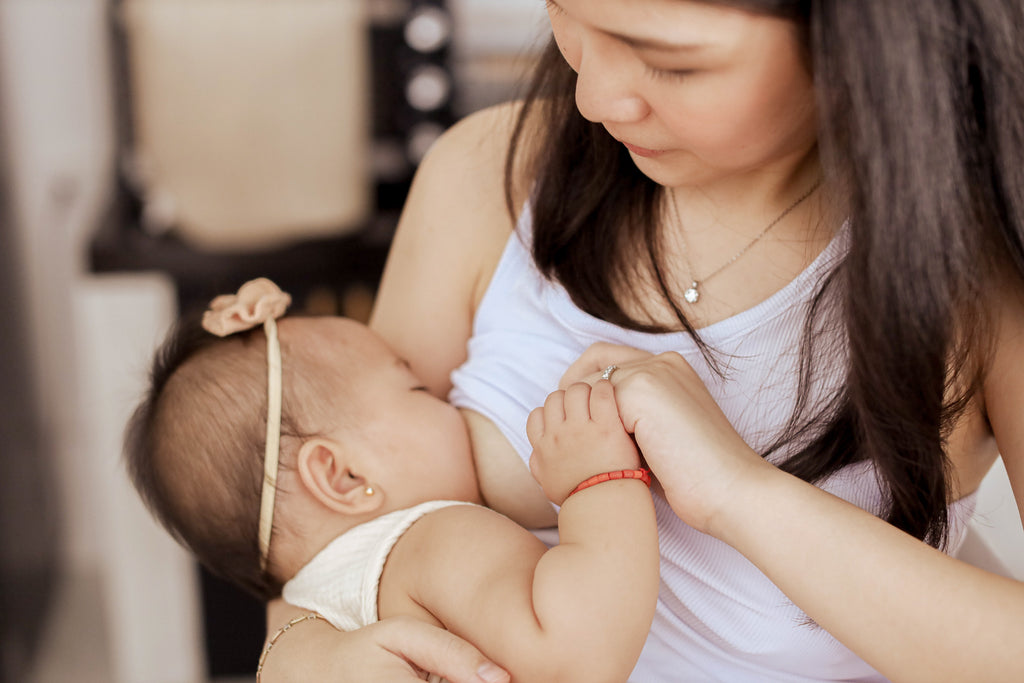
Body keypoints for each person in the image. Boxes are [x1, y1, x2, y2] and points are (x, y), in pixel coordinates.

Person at [262, 1, 1024, 681]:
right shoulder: (485, 173)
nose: (593, 98)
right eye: (563, 10)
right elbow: (327, 530)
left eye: (669, 61)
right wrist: (300, 654)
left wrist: (737, 493)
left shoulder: (982, 272)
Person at [123, 278, 660, 683]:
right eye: (416, 390)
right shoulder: (428, 540)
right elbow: (576, 653)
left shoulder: (315, 613)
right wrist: (596, 477)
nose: (449, 397)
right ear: (344, 476)